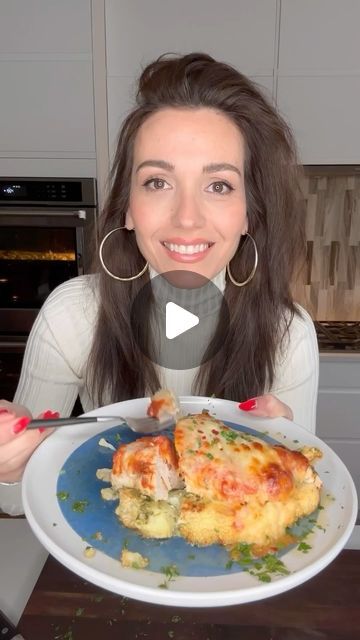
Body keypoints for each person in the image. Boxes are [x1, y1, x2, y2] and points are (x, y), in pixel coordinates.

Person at [0, 52, 319, 514]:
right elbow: (12, 504)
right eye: (157, 182)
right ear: (128, 206)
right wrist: (10, 468)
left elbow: (306, 502)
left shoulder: (289, 334)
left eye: (219, 186)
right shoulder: (72, 317)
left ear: (249, 213)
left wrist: (282, 461)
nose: (186, 218)